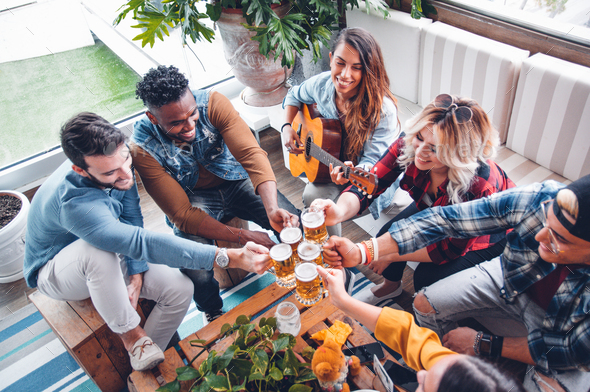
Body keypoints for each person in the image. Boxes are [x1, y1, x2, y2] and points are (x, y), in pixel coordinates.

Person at [24, 113, 272, 371]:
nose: (125, 174)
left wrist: (136, 271)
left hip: (111, 249)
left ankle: (147, 365)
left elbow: (130, 216)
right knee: (95, 254)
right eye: (110, 172)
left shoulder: (117, 161)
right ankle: (132, 338)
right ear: (80, 169)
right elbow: (141, 242)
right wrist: (227, 256)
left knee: (180, 288)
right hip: (58, 271)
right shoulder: (74, 204)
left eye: (125, 160)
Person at [323, 174, 590, 392]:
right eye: (546, 220)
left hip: (563, 337)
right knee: (424, 302)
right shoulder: (543, 197)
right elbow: (447, 220)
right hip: (510, 279)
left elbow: (564, 350)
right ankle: (441, 377)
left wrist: (482, 343)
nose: (540, 235)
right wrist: (363, 252)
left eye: (559, 239)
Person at [131, 65, 299, 322]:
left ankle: (306, 270)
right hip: (192, 199)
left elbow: (251, 155)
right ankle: (212, 310)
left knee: (292, 220)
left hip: (235, 179)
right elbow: (182, 214)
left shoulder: (212, 103)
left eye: (192, 114)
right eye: (176, 123)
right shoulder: (142, 147)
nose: (190, 127)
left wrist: (272, 208)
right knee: (193, 264)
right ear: (153, 118)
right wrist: (243, 235)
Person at [313, 93, 514, 304]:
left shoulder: (479, 186)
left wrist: (388, 254)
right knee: (389, 234)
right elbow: (372, 184)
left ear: (458, 154)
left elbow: (448, 249)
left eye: (435, 149)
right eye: (420, 137)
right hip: (435, 207)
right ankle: (390, 287)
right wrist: (339, 212)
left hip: (490, 234)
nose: (420, 151)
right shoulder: (409, 144)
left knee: (426, 279)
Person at [317, 266, 525, 392]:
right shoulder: (452, 374)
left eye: (425, 387)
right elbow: (409, 336)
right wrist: (343, 301)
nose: (419, 376)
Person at [282, 27, 401, 238]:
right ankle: (329, 249)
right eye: (340, 63)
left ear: (368, 70)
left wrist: (350, 174)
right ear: (330, 59)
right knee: (313, 198)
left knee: (315, 197)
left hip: (358, 176)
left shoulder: (383, 111)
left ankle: (337, 258)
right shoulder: (322, 84)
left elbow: (374, 163)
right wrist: (287, 127)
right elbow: (294, 95)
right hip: (328, 166)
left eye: (356, 67)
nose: (345, 75)